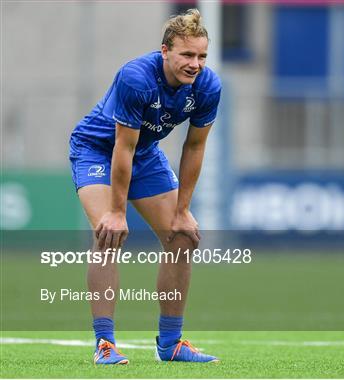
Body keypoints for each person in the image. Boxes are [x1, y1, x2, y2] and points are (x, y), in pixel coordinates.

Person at [69, 9, 220, 364]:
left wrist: (182, 211)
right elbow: (122, 147)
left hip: (144, 154)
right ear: (165, 51)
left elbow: (195, 147)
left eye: (201, 56)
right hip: (98, 149)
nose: (195, 63)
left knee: (183, 236)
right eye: (187, 54)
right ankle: (105, 344)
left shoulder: (208, 86)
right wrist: (117, 213)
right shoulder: (136, 77)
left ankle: (171, 344)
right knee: (108, 234)